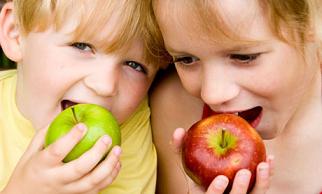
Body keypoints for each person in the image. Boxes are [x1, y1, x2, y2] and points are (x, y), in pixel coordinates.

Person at [150, 0, 322, 193]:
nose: (211, 94)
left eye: (243, 57)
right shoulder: (175, 109)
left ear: (312, 24)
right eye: (186, 59)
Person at [0, 0, 169, 193]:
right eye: (82, 46)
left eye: (134, 65)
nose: (106, 86)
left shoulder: (130, 132)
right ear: (15, 33)